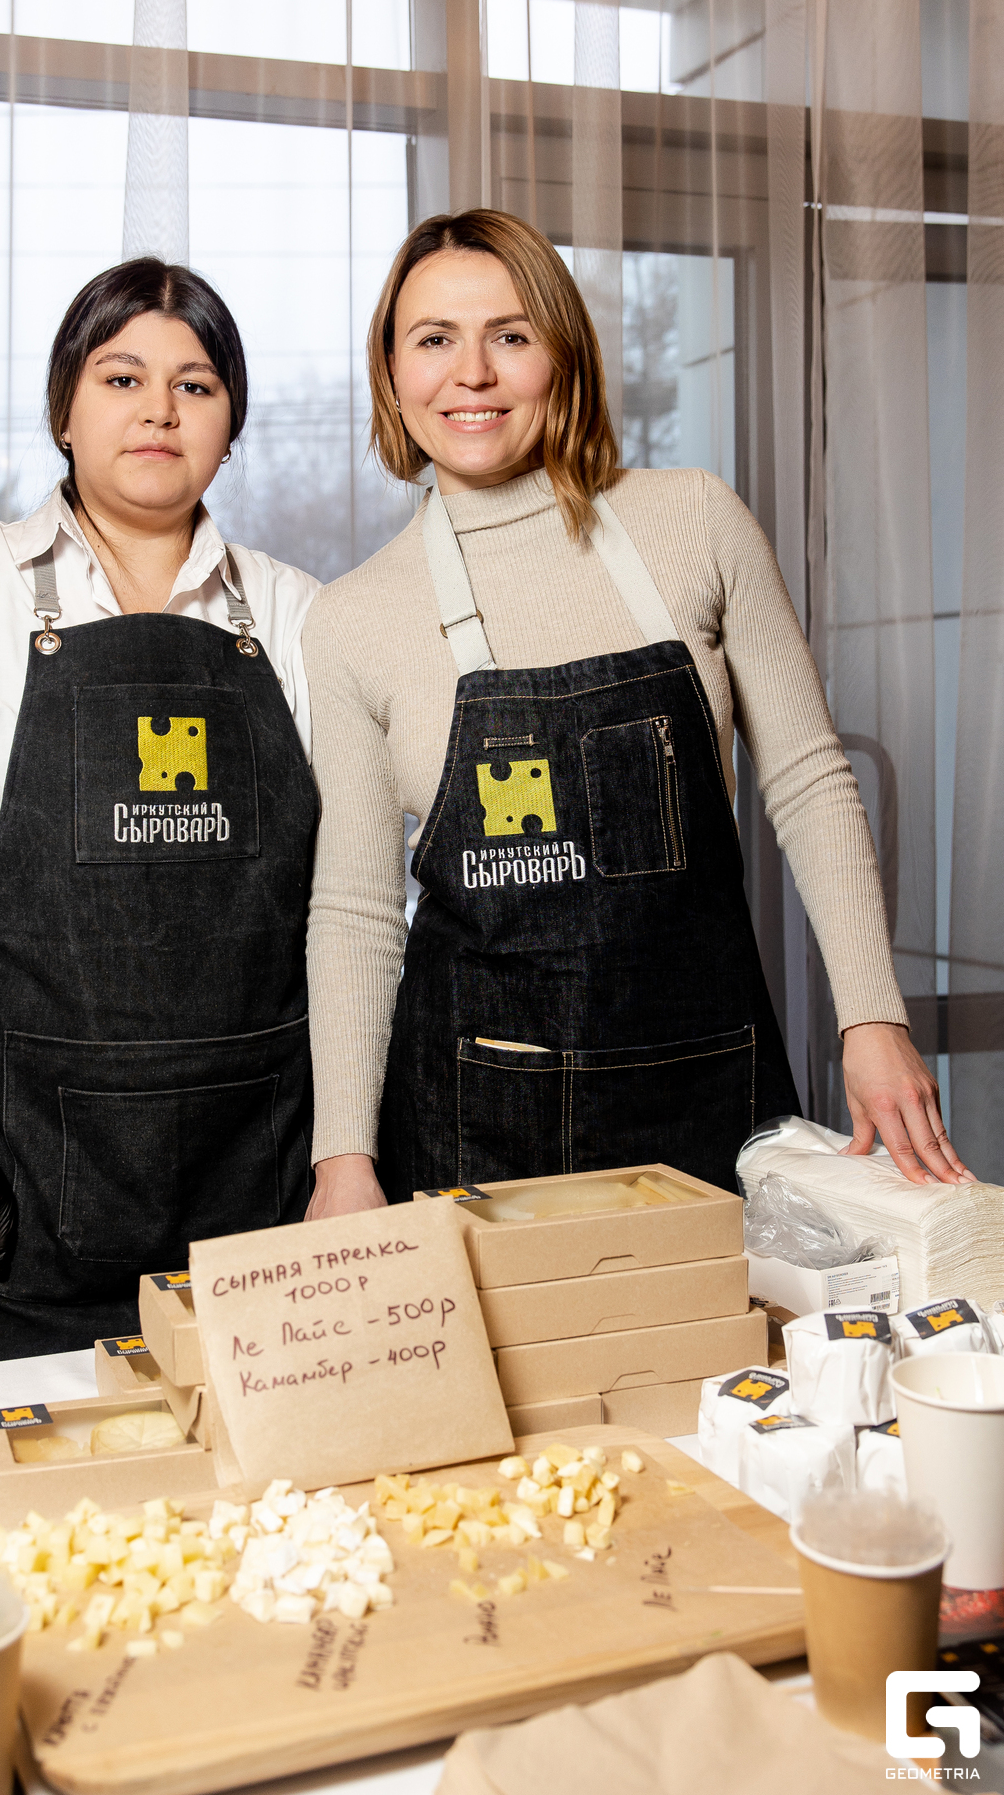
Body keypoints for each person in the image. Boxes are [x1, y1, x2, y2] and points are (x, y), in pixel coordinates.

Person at [300, 209, 970, 1220]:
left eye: (510, 335)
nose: (470, 373)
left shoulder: (693, 520)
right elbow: (355, 910)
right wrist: (342, 1157)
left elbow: (807, 778)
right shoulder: (354, 617)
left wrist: (871, 1019)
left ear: (563, 355)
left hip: (708, 1088)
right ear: (392, 372)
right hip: (473, 1118)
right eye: (434, 339)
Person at [0, 259, 320, 1361]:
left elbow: (348, 912)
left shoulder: (298, 616)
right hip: (26, 1197)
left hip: (267, 1191)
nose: (159, 410)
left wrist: (345, 1163)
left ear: (230, 424)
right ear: (64, 408)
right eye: (122, 378)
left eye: (195, 385)